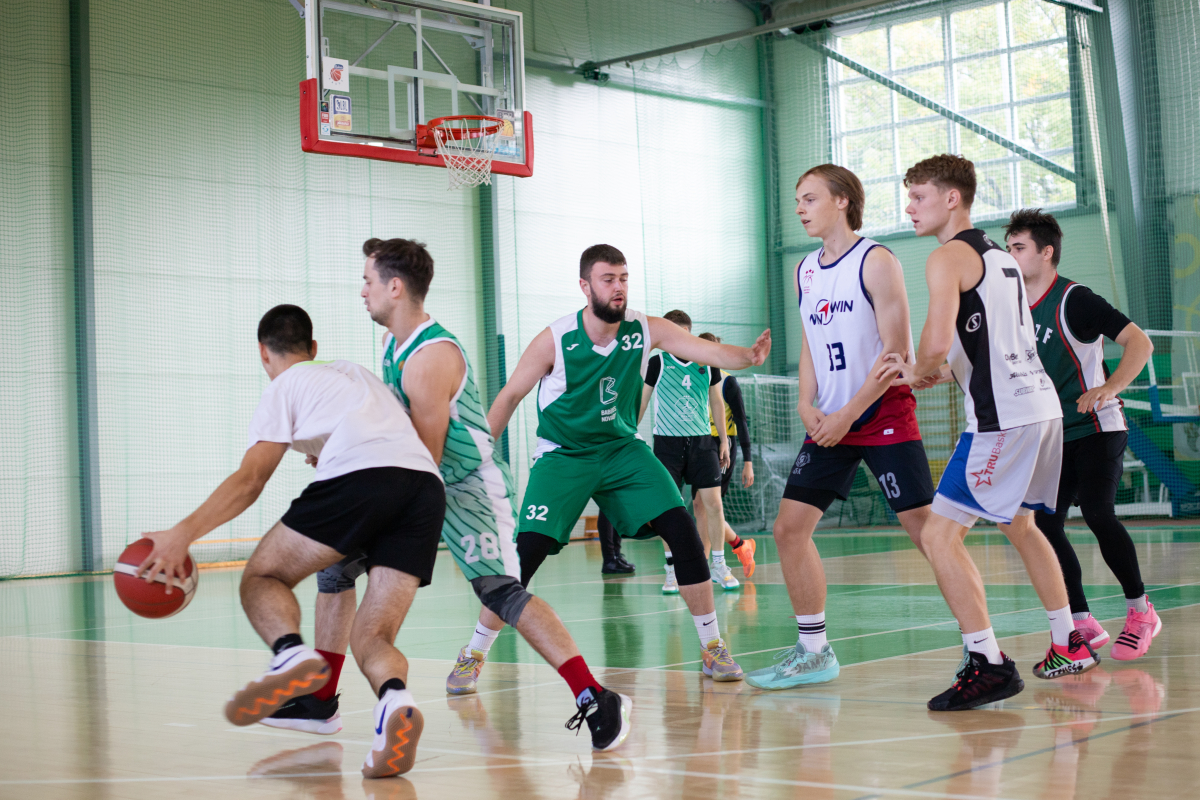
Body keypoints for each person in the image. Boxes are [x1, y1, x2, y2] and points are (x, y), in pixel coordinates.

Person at [266, 239, 632, 752]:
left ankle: (594, 695)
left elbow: (426, 454)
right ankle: (321, 698)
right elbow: (399, 437)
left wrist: (356, 474)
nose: (362, 290)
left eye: (368, 280)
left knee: (501, 593)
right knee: (335, 569)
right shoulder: (395, 346)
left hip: (467, 489)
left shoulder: (431, 356)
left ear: (395, 288)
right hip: (416, 482)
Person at [135, 304, 445, 778]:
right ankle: (393, 702)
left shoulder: (285, 385)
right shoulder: (352, 374)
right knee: (373, 635)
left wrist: (182, 535)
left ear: (264, 354)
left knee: (263, 576)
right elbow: (386, 430)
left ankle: (291, 654)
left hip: (364, 479)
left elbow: (250, 480)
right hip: (424, 486)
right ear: (313, 348)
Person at [487, 243, 771, 682]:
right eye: (608, 280)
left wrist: (748, 358)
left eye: (623, 279)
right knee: (527, 554)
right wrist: (480, 456)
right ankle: (474, 650)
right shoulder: (556, 339)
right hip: (564, 454)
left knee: (683, 531)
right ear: (585, 286)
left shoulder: (644, 328)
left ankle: (713, 647)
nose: (618, 288)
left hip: (620, 448)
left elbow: (706, 351)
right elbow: (509, 396)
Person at [886, 154, 1100, 712]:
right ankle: (1068, 641)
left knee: (938, 536)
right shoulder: (1002, 258)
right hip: (1041, 407)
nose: (909, 207)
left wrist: (915, 369)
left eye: (918, 196)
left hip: (1002, 418)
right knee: (1024, 526)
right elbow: (986, 336)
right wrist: (940, 367)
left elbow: (933, 343)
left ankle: (988, 663)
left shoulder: (945, 258)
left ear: (951, 198)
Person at [745, 164, 934, 691]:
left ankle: (981, 646)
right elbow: (809, 340)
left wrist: (848, 413)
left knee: (927, 533)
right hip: (828, 421)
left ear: (844, 201)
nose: (800, 208)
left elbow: (896, 354)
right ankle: (813, 651)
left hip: (879, 412)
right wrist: (807, 404)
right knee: (788, 530)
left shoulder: (876, 261)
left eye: (809, 198)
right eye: (797, 200)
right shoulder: (805, 269)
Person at [1004, 208, 1160, 660]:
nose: (1011, 258)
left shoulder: (1075, 299)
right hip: (1051, 434)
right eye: (1008, 248)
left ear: (1045, 252)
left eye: (1019, 249)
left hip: (1097, 426)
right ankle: (1081, 622)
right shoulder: (1011, 309)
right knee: (1045, 524)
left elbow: (1140, 342)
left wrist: (1110, 387)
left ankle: (1140, 610)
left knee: (1097, 512)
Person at [639, 310, 740, 591]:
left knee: (713, 504)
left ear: (689, 332)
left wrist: (723, 440)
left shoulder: (707, 360)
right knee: (668, 508)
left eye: (681, 332)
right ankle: (672, 570)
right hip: (667, 444)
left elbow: (717, 401)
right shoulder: (657, 363)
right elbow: (642, 401)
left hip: (702, 442)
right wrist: (631, 435)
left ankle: (718, 564)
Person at [692, 333, 757, 580]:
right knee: (701, 506)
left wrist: (748, 462)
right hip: (697, 444)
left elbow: (741, 421)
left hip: (721, 445)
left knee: (706, 505)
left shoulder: (729, 382)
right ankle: (741, 546)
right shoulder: (695, 377)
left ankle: (704, 566)